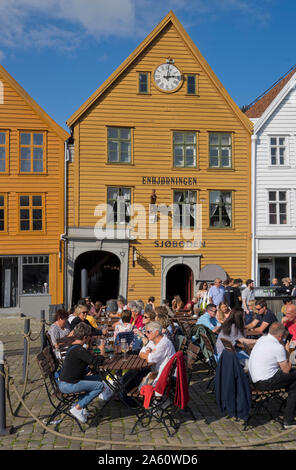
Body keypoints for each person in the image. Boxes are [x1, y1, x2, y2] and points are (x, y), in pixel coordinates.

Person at [248, 322, 296, 429]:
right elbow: (286, 369)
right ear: (280, 336)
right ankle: (288, 420)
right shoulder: (277, 347)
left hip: (254, 379)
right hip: (265, 382)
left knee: (293, 384)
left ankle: (289, 414)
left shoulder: (262, 339)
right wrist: (287, 351)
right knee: (293, 376)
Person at [58, 322, 105, 424]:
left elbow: (86, 359)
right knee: (100, 386)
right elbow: (97, 362)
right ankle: (78, 408)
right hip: (69, 384)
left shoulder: (75, 347)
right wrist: (102, 350)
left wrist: (89, 348)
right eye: (89, 337)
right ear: (85, 337)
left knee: (98, 378)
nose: (91, 338)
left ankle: (81, 406)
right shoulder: (79, 350)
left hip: (67, 381)